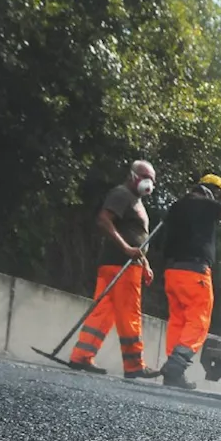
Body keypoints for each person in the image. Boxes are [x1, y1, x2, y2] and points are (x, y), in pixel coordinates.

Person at [68, 160, 162, 379]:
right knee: (130, 314)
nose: (148, 183)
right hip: (121, 265)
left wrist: (145, 264)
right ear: (132, 176)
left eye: (151, 180)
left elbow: (138, 241)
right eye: (144, 177)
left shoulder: (136, 201)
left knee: (102, 313)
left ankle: (81, 356)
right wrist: (126, 248)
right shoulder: (121, 194)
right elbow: (104, 220)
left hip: (121, 263)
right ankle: (134, 365)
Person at [158, 174, 221, 389]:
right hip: (194, 272)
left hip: (172, 272)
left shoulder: (177, 206)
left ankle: (173, 373)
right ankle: (176, 366)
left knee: (178, 320)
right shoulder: (204, 204)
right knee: (198, 322)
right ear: (214, 191)